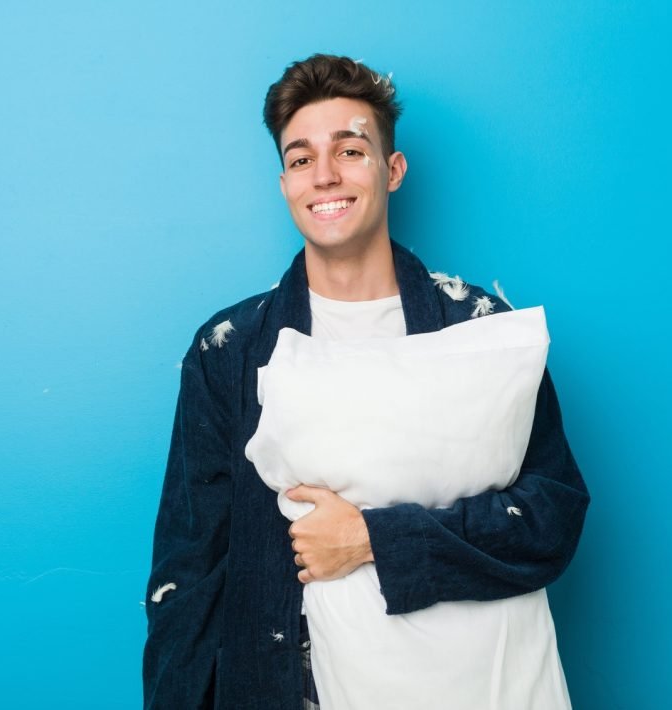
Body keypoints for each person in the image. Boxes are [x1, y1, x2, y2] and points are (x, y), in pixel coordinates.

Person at [143, 54, 589, 709]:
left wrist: (373, 539)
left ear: (392, 169)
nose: (324, 174)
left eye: (350, 151)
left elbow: (552, 518)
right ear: (285, 183)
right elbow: (190, 569)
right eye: (301, 158)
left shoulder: (480, 330)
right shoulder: (230, 350)